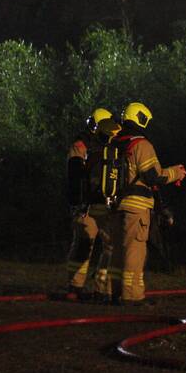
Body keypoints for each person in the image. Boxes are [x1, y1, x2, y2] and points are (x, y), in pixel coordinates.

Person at [108, 102, 186, 305]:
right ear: (140, 119)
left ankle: (114, 291)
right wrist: (176, 173)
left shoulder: (116, 142)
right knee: (135, 250)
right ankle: (131, 296)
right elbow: (153, 177)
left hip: (117, 205)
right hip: (136, 207)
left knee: (118, 250)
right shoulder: (141, 145)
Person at [63, 108, 118, 299]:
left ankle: (96, 288)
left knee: (105, 245)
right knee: (85, 244)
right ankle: (79, 286)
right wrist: (77, 203)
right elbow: (75, 176)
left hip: (99, 204)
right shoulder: (82, 146)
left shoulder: (105, 148)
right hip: (87, 205)